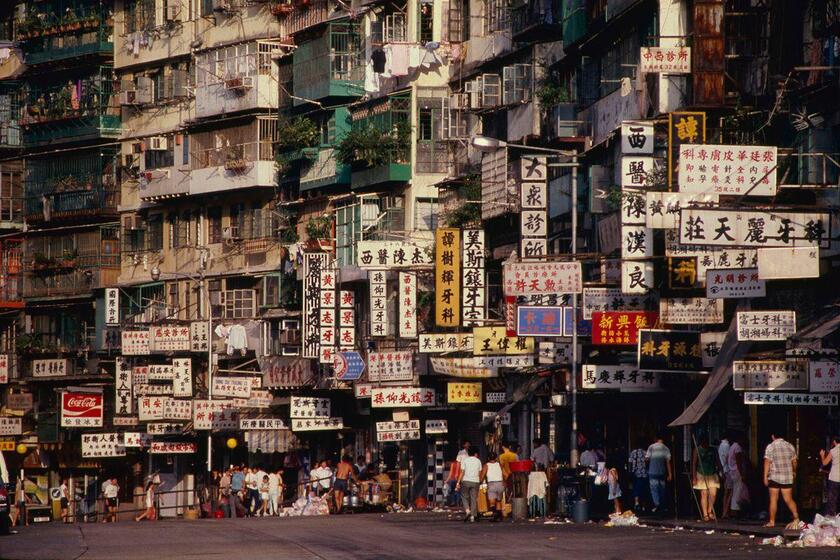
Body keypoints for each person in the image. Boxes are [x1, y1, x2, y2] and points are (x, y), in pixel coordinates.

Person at [763, 433, 800, 528]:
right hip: (787, 477)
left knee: (773, 499)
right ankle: (796, 518)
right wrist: (794, 472)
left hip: (774, 476)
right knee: (788, 499)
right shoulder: (790, 446)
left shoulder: (771, 446)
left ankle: (772, 522)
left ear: (773, 436)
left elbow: (767, 462)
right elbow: (794, 462)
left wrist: (765, 476)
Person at [691, 435, 721, 522]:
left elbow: (718, 461)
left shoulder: (713, 450)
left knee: (713, 493)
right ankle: (705, 514)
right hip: (701, 473)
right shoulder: (697, 449)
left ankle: (710, 510)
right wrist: (694, 477)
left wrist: (721, 470)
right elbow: (694, 463)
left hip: (712, 473)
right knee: (704, 493)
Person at [645, 435, 672, 514]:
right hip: (662, 472)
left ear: (655, 439)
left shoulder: (651, 447)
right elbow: (668, 462)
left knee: (654, 490)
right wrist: (670, 474)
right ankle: (661, 505)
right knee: (662, 489)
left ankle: (657, 504)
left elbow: (646, 459)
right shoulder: (666, 448)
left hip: (652, 472)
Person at [725, 433, 748, 518]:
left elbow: (727, 459)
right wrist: (742, 473)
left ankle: (733, 510)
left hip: (732, 471)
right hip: (737, 471)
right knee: (737, 491)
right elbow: (739, 462)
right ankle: (735, 510)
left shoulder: (732, 447)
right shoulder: (738, 447)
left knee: (735, 491)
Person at [456, 449, 482, 523]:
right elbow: (479, 472)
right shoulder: (478, 461)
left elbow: (462, 472)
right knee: (474, 499)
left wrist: (458, 482)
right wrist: (479, 481)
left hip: (466, 481)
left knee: (464, 496)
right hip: (475, 481)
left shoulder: (465, 461)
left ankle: (467, 511)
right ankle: (473, 517)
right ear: (475, 454)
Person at [819, 435, 840, 516]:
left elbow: (824, 463)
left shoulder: (833, 451)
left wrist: (822, 455)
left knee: (832, 500)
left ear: (834, 441)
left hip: (834, 478)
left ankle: (831, 518)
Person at [480, 452, 504, 521]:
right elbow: (505, 474)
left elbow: (482, 477)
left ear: (488, 458)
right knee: (499, 501)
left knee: (492, 503)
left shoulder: (486, 465)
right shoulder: (499, 465)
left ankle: (495, 516)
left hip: (492, 484)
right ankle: (500, 516)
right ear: (496, 458)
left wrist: (480, 482)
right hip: (500, 484)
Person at [627, 440, 648, 512]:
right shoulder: (646, 453)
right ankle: (644, 506)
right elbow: (648, 462)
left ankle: (636, 502)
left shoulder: (633, 452)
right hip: (644, 474)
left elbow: (629, 462)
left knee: (635, 488)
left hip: (635, 473)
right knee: (644, 489)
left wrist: (630, 471)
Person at [718, 432, 732, 518]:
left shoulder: (721, 445)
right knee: (728, 491)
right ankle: (725, 511)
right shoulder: (726, 445)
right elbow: (727, 458)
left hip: (724, 470)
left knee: (726, 492)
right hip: (727, 470)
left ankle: (725, 511)